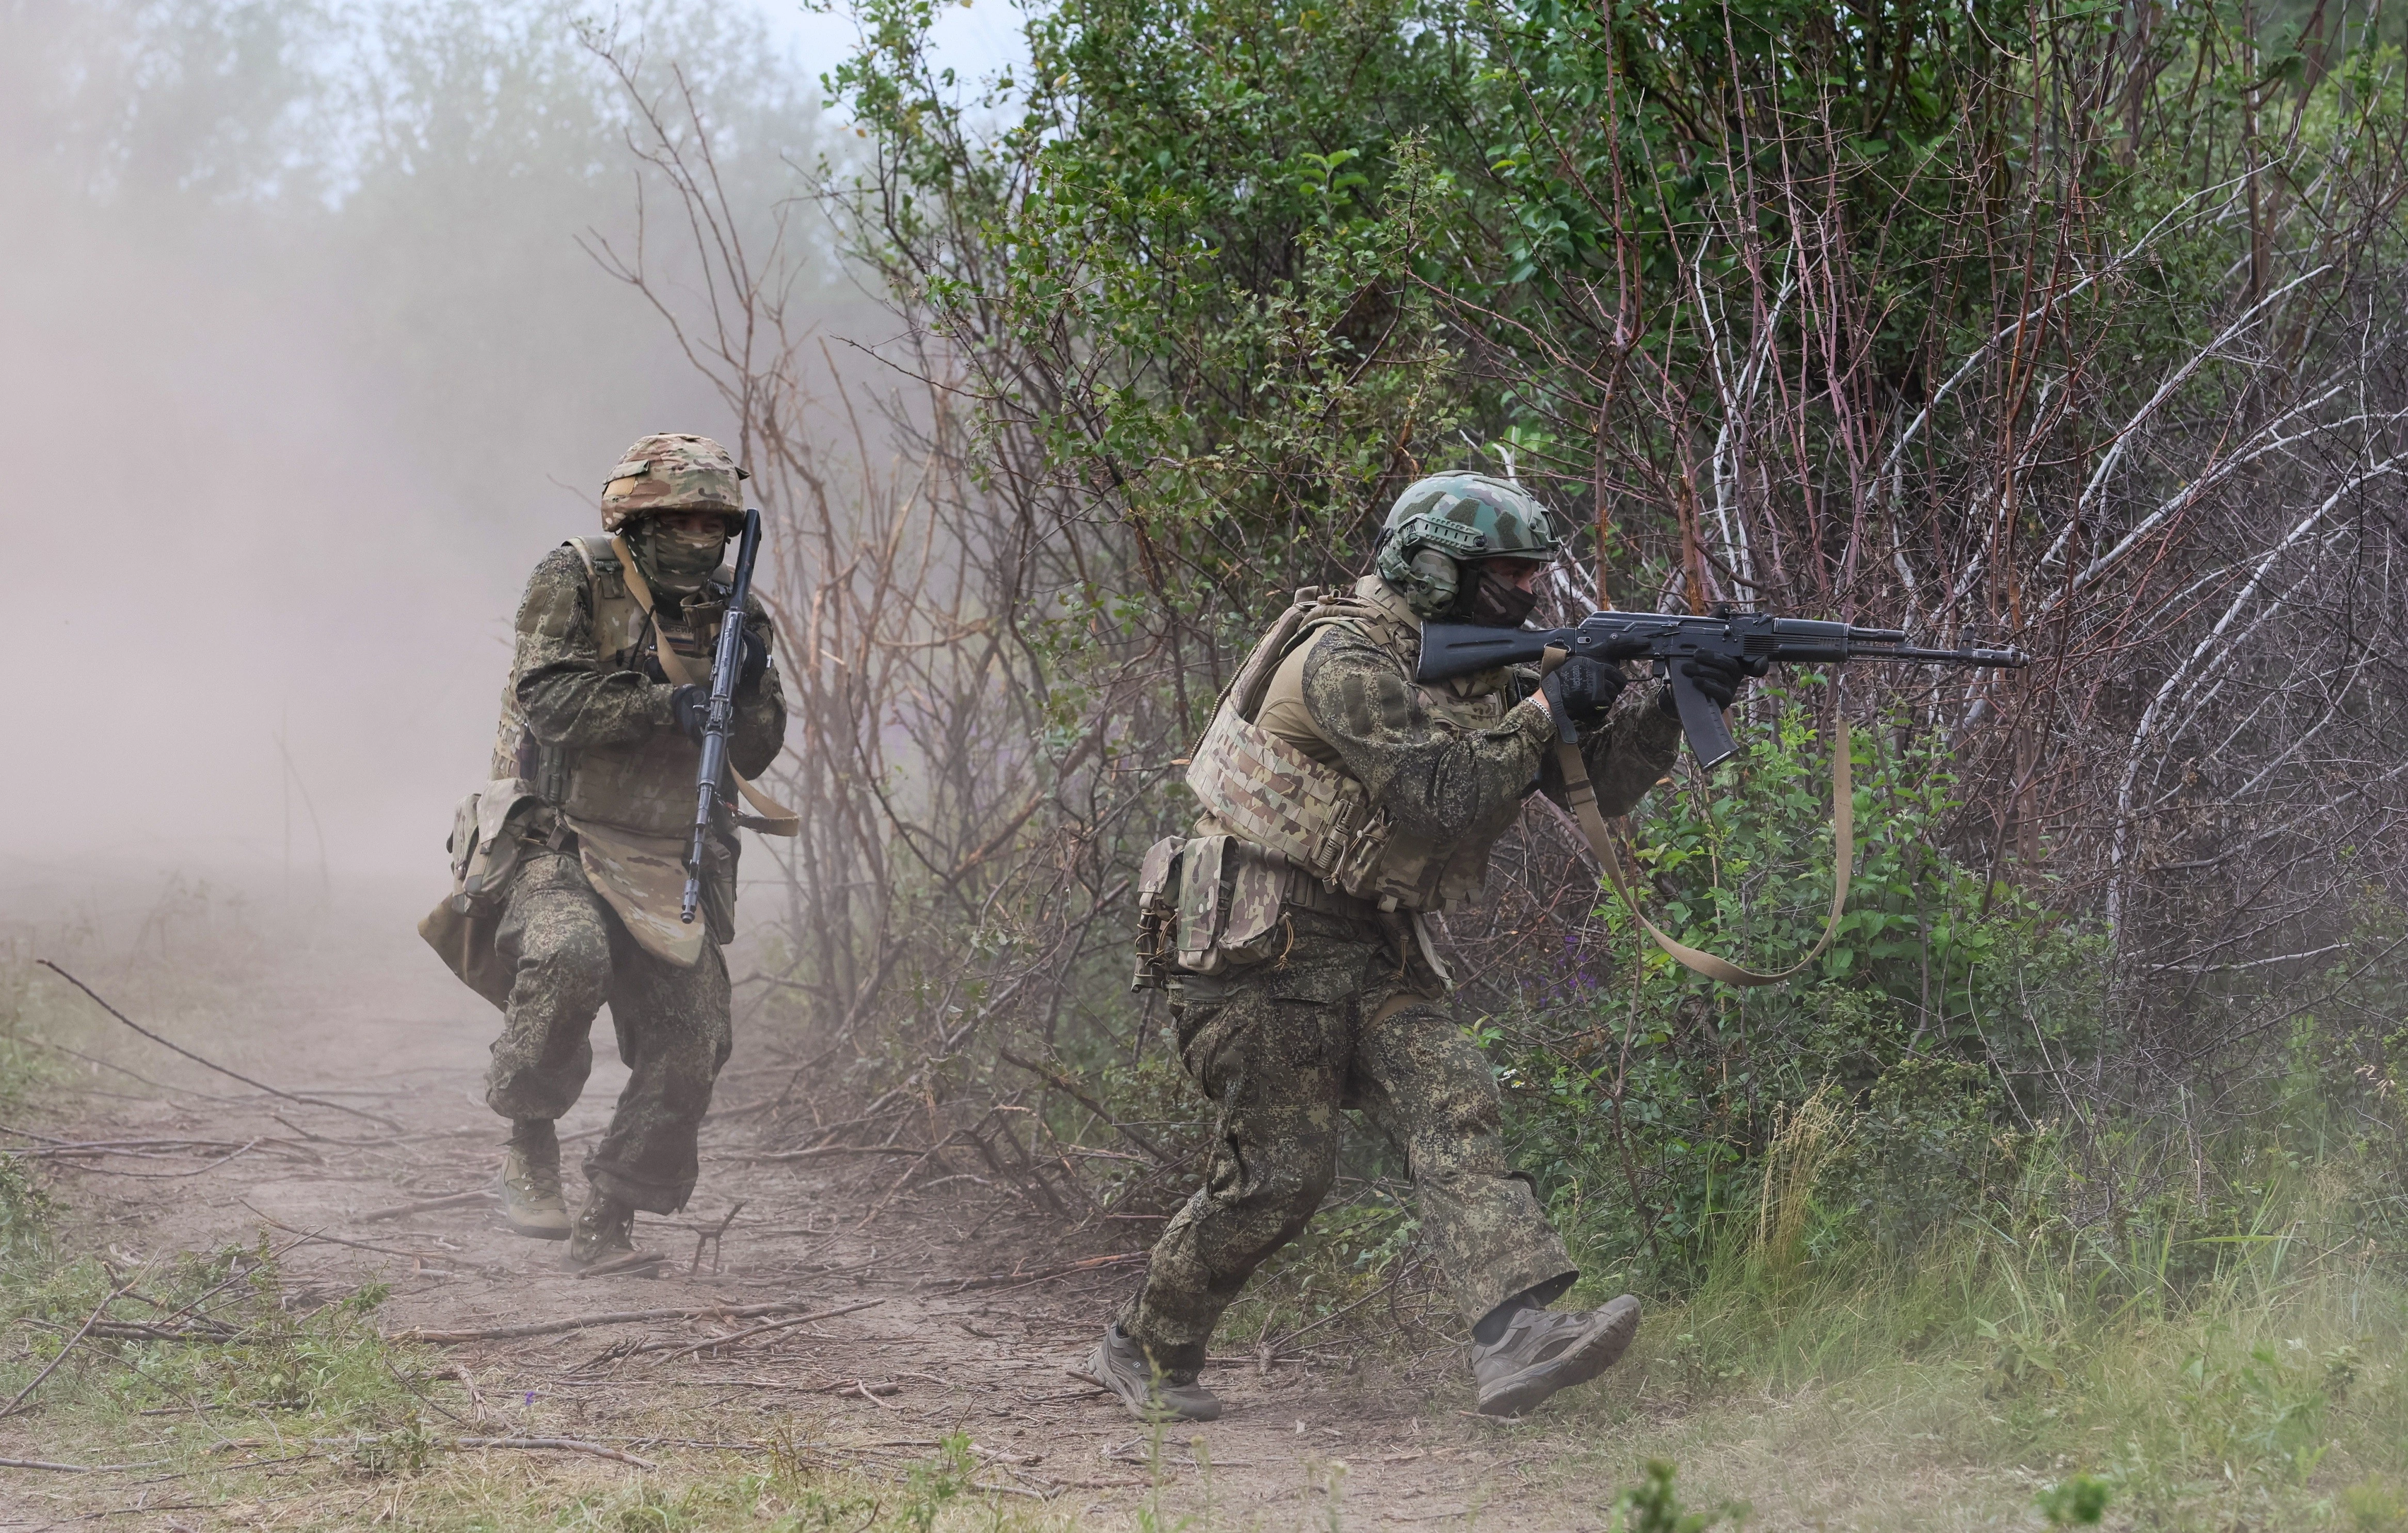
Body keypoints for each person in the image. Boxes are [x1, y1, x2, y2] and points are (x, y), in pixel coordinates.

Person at [1098, 472, 1752, 1419]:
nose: (1530, 590)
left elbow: (1598, 787)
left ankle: (1515, 1335)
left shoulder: (1481, 671)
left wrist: (1670, 706)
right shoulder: (1344, 659)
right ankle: (1145, 1347)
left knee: (1455, 1101)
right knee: (1279, 1179)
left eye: (1532, 573)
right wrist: (1547, 707)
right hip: (1258, 948)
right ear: (1437, 570)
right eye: (1510, 574)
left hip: (1372, 941)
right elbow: (1443, 795)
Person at [458, 433, 788, 1268]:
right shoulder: (576, 577)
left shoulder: (738, 611)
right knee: (569, 956)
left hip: (672, 854)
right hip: (562, 837)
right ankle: (531, 1139)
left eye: (713, 523)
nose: (698, 538)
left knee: (696, 1039)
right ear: (636, 519)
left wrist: (748, 682)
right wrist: (662, 704)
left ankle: (610, 1217)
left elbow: (755, 754)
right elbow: (548, 699)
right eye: (680, 520)